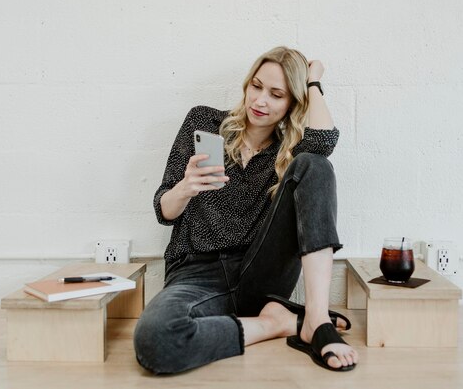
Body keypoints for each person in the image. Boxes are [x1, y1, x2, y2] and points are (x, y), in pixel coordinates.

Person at [133, 46, 359, 374]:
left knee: (315, 165)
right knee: (155, 339)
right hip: (196, 274)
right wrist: (185, 187)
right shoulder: (204, 122)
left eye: (276, 94)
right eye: (256, 86)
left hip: (260, 275)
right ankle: (277, 323)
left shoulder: (289, 149)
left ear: (293, 103)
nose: (260, 101)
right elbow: (163, 210)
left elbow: (323, 142)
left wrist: (313, 81)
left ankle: (317, 320)